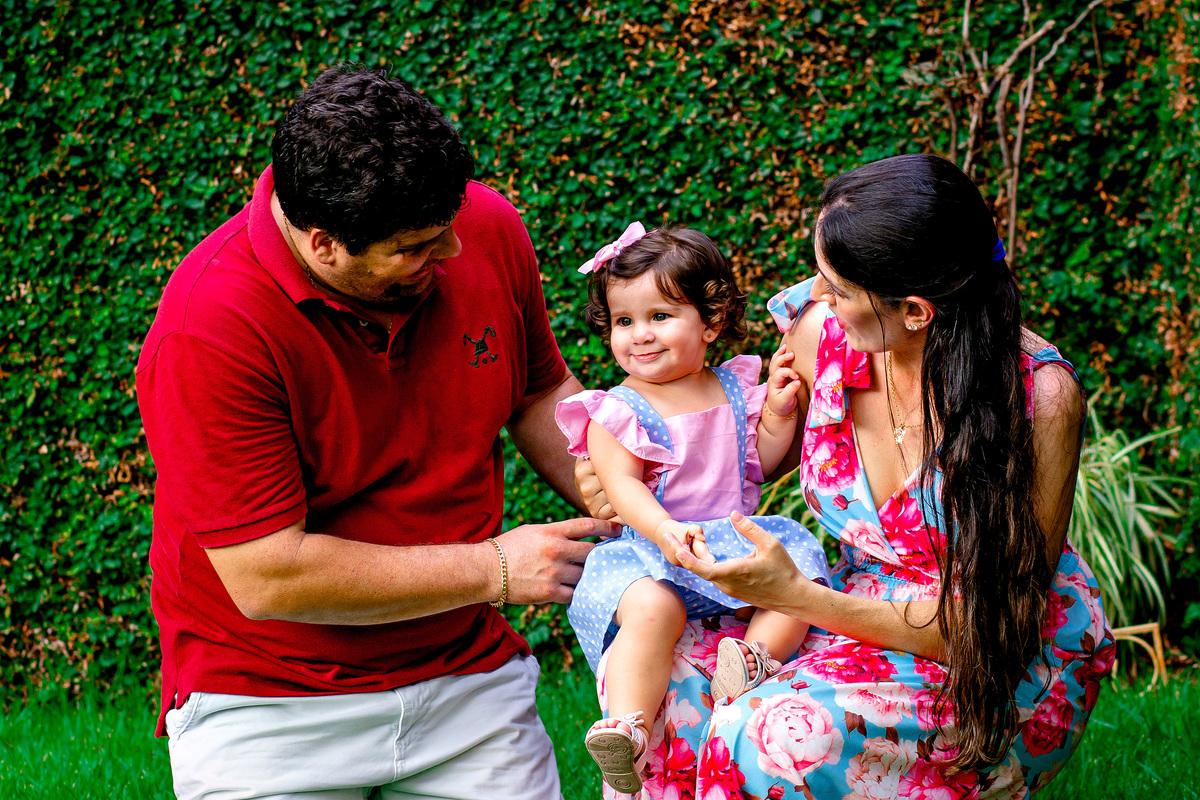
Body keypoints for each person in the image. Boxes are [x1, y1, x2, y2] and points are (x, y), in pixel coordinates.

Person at [135, 67, 617, 800]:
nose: (453, 252)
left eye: (450, 224)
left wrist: (649, 501)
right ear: (324, 244)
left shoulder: (481, 227)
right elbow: (267, 573)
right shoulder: (210, 327)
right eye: (417, 246)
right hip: (267, 702)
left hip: (466, 675)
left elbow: (540, 392)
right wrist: (496, 569)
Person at [578, 155, 1115, 798]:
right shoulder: (823, 336)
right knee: (672, 676)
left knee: (764, 732)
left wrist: (797, 596)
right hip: (854, 601)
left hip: (983, 651)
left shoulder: (1038, 399)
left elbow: (997, 627)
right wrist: (625, 475)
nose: (814, 296)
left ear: (914, 311)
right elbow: (750, 454)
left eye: (835, 287)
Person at [554, 223, 832, 793]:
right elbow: (622, 488)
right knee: (654, 609)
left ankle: (750, 659)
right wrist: (663, 529)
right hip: (648, 552)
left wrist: (778, 414)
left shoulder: (732, 389)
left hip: (725, 538)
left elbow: (756, 463)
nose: (640, 335)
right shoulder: (616, 410)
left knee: (795, 575)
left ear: (710, 322)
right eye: (624, 321)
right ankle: (627, 727)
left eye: (659, 316)